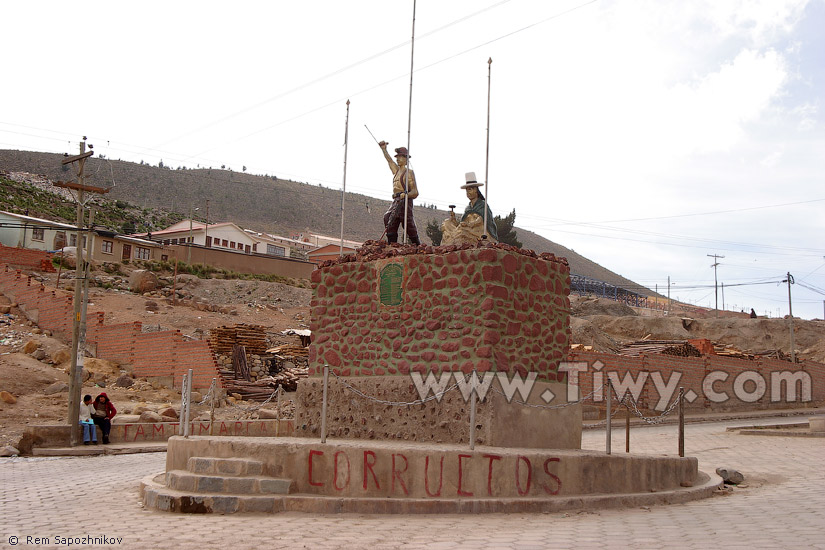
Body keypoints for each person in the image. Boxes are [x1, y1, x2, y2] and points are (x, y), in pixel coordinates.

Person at [378, 141, 421, 245]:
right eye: (397, 157)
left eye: (400, 157)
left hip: (405, 200)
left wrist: (406, 195)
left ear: (406, 159)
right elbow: (389, 161)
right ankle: (392, 244)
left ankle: (417, 244)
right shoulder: (396, 171)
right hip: (396, 200)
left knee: (407, 222)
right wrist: (384, 149)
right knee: (388, 218)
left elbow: (415, 192)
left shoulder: (409, 173)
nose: (398, 159)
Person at [441, 172, 498, 245]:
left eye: (470, 189)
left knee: (462, 232)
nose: (468, 192)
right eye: (467, 190)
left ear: (476, 190)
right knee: (447, 223)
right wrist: (453, 219)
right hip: (468, 229)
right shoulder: (468, 208)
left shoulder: (483, 206)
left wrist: (470, 225)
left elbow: (482, 220)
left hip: (478, 231)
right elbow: (461, 223)